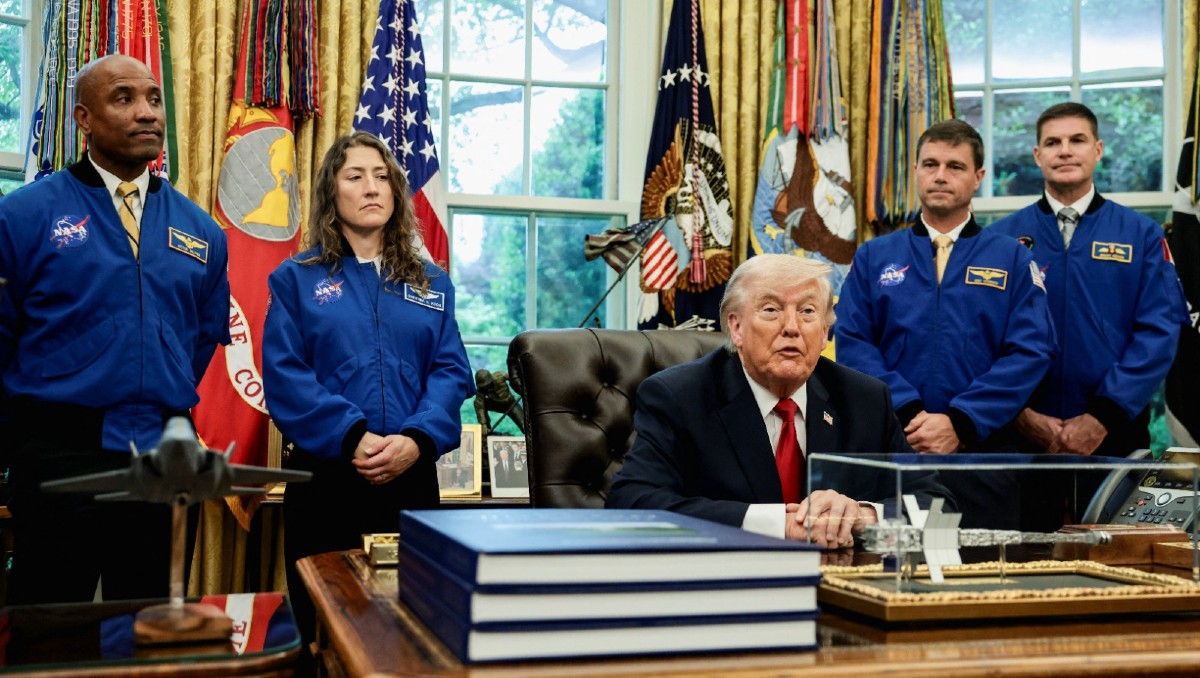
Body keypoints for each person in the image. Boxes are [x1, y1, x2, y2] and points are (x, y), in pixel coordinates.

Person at [0, 54, 231, 604]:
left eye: (153, 98)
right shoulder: (25, 215)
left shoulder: (201, 230)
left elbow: (198, 342)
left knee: (151, 631)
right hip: (59, 456)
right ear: (83, 118)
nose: (146, 112)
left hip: (165, 461)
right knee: (49, 636)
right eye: (123, 99)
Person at [262, 131, 474, 652]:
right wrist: (350, 434)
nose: (372, 188)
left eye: (382, 177)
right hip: (327, 480)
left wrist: (417, 440)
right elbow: (285, 374)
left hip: (411, 479)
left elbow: (450, 371)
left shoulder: (432, 284)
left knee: (409, 634)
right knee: (324, 634)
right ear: (332, 192)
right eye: (355, 176)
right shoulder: (296, 280)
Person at [607, 254, 954, 548]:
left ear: (825, 334)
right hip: (727, 589)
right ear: (737, 327)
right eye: (771, 310)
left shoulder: (864, 399)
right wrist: (777, 524)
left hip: (843, 593)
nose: (792, 327)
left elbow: (940, 505)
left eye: (807, 312)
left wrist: (862, 516)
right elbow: (632, 503)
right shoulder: (679, 396)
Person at [834, 119, 1056, 529]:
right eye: (929, 164)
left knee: (984, 579)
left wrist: (962, 421)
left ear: (978, 177)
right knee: (893, 575)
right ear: (916, 172)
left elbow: (1031, 350)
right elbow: (852, 342)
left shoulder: (1011, 258)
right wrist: (910, 413)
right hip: (895, 450)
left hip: (983, 456)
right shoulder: (873, 257)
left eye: (955, 166)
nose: (940, 175)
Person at [990, 103, 1188, 525]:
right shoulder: (1000, 238)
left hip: (1114, 435)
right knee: (1018, 566)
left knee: (1117, 567)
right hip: (1020, 437)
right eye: (1052, 142)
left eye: (1076, 140)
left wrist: (1104, 415)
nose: (1065, 151)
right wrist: (1021, 415)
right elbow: (979, 334)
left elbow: (1160, 329)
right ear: (1037, 155)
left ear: (1097, 150)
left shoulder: (1142, 235)